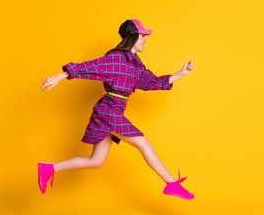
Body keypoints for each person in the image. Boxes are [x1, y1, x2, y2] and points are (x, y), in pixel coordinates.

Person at [39, 19, 194, 200]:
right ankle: (171, 185)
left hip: (113, 110)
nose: (145, 39)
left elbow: (154, 82)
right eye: (143, 36)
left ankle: (48, 168)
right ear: (133, 36)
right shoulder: (116, 59)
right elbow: (90, 67)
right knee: (144, 144)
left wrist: (180, 74)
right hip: (109, 110)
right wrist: (59, 76)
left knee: (96, 161)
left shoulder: (135, 65)